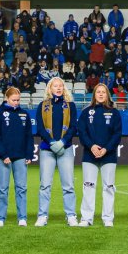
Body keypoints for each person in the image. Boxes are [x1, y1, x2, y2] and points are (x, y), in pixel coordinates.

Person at [77, 84, 122, 227]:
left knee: (109, 187)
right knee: (88, 186)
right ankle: (86, 218)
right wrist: (91, 146)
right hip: (90, 155)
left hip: (108, 156)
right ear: (94, 94)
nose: (101, 94)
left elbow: (117, 134)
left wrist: (106, 149)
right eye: (98, 92)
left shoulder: (114, 112)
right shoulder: (86, 112)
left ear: (107, 95)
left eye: (103, 92)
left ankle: (108, 218)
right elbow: (82, 133)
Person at [36, 77, 79, 226]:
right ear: (50, 88)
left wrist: (62, 142)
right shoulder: (42, 105)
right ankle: (42, 216)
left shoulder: (70, 106)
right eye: (55, 86)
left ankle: (71, 215)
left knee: (68, 185)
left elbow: (73, 127)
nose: (59, 88)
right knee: (45, 185)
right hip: (47, 149)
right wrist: (51, 142)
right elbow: (40, 128)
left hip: (65, 148)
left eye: (61, 85)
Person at [0, 87, 32, 226]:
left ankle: (22, 218)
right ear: (6, 98)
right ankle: (0, 218)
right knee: (2, 188)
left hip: (20, 157)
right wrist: (3, 154)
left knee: (21, 188)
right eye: (14, 100)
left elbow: (28, 137)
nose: (16, 102)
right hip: (3, 158)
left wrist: (29, 154)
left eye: (18, 100)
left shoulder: (24, 114)